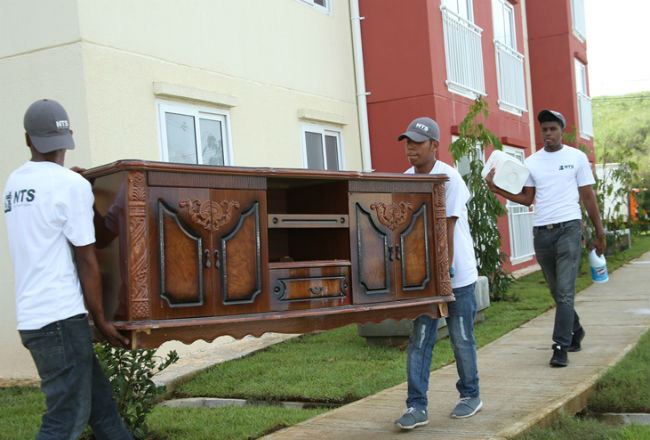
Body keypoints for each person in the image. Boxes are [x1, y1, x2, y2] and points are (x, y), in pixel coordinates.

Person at [3, 99, 133, 439]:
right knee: (66, 422)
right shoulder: (69, 185)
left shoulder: (14, 183)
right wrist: (101, 321)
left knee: (104, 414)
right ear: (69, 138)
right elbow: (87, 258)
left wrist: (74, 186)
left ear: (29, 139)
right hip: (60, 320)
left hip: (34, 319)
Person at [485, 109, 605, 367]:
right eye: (544, 130)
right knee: (556, 291)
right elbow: (528, 198)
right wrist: (497, 188)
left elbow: (588, 196)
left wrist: (599, 232)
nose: (548, 134)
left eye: (553, 129)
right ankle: (576, 329)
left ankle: (560, 346)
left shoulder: (577, 158)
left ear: (561, 130)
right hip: (542, 232)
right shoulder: (532, 162)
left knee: (564, 291)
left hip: (569, 229)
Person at [394, 117, 482, 430]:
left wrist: (443, 276)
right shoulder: (405, 179)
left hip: (456, 276)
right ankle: (416, 406)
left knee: (461, 338)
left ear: (435, 145)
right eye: (408, 142)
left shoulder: (450, 178)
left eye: (418, 142)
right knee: (419, 340)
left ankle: (471, 395)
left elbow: (447, 227)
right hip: (423, 278)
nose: (411, 148)